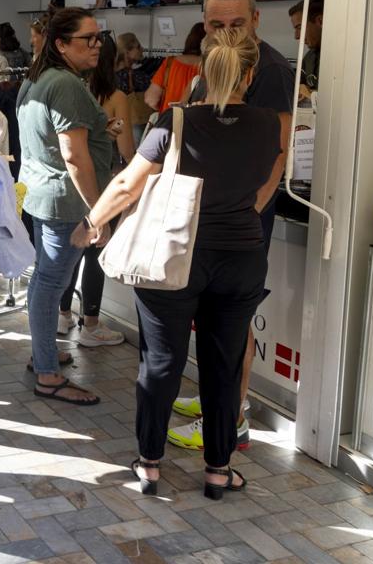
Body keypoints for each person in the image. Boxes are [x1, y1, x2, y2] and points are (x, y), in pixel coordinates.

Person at [72, 28, 284, 501]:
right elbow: (269, 178)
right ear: (250, 73)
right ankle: (218, 469)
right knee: (225, 365)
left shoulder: (177, 120)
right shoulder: (270, 123)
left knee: (161, 363)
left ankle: (149, 466)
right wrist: (244, 215)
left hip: (175, 255)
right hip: (241, 256)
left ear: (202, 72)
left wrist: (91, 222)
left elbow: (128, 184)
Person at [166, 0, 293, 453]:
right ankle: (214, 401)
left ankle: (233, 419)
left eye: (236, 23)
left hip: (240, 221)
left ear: (256, 20)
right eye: (216, 24)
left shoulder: (272, 70)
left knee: (233, 323)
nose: (225, 32)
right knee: (213, 320)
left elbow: (277, 153)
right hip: (213, 218)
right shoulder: (212, 64)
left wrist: (248, 209)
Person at [17, 8, 112, 406]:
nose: (97, 45)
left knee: (44, 281)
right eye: (87, 39)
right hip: (65, 202)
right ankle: (48, 374)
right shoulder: (66, 85)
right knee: (50, 285)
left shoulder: (37, 78)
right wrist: (97, 212)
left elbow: (59, 141)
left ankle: (43, 354)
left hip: (41, 194)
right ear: (60, 44)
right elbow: (74, 158)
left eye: (98, 36)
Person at [58, 33, 131, 347]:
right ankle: (91, 323)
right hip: (103, 182)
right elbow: (127, 150)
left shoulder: (76, 91)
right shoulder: (116, 96)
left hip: (73, 179)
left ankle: (62, 314)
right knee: (96, 251)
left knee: (72, 251)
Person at [145, 23, 205, 112]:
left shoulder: (170, 62)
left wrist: (165, 109)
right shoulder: (212, 67)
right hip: (196, 121)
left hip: (169, 120)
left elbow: (151, 99)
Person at [289, 0, 323, 93]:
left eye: (299, 27)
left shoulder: (344, 59)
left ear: (320, 21)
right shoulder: (309, 58)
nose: (296, 36)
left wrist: (311, 94)